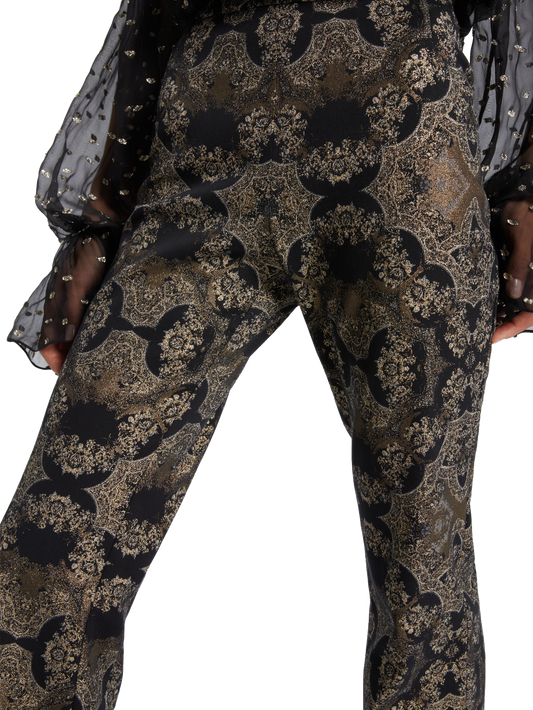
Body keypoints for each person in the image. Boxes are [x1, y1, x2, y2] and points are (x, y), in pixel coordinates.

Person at [1, 0, 531, 708]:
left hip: (404, 151)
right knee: (51, 539)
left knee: (421, 555)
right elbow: (147, 16)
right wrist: (98, 225)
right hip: (196, 155)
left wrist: (526, 192)